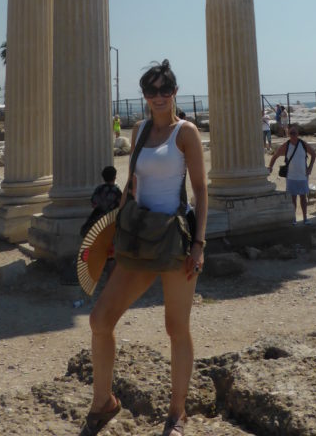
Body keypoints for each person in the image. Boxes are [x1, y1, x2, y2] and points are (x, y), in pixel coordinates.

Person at [81, 59, 207, 436]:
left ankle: (176, 414)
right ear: (144, 95)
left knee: (175, 327)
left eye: (164, 89)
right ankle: (103, 402)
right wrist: (110, 234)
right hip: (138, 239)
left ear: (174, 92)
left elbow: (200, 190)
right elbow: (130, 186)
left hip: (174, 243)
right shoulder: (138, 130)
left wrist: (199, 244)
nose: (157, 97)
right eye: (150, 91)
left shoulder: (186, 133)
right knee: (100, 319)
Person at [268, 125, 316, 223]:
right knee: (293, 199)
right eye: (291, 133)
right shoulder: (286, 145)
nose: (293, 135)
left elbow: (313, 154)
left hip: (303, 175)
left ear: (298, 134)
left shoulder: (303, 144)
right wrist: (270, 167)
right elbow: (275, 156)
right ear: (288, 134)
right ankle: (294, 219)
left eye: (294, 133)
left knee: (303, 198)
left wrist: (310, 167)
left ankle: (305, 218)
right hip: (291, 176)